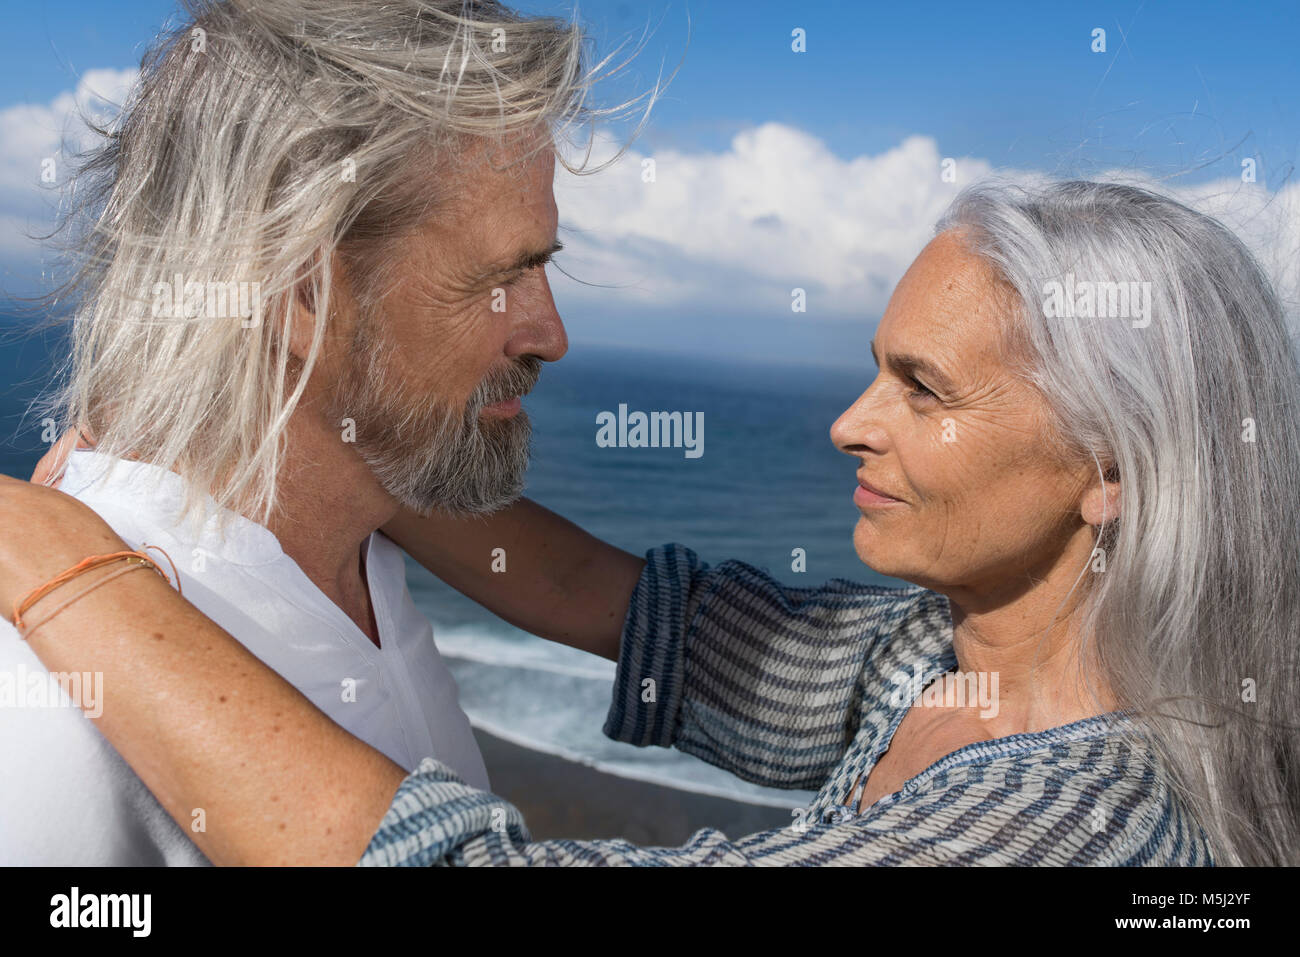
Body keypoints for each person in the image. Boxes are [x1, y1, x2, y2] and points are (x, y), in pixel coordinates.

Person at [7, 179, 1297, 865]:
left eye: (922, 390)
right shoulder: (937, 661)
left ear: (1111, 467)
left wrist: (75, 580)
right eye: (873, 368)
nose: (849, 423)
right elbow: (615, 604)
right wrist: (340, 426)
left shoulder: (1080, 828)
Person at [0, 0, 653, 863]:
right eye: (505, 275)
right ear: (305, 291)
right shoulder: (45, 712)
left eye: (545, 264)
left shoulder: (361, 547)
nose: (550, 333)